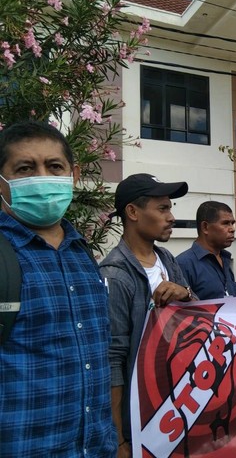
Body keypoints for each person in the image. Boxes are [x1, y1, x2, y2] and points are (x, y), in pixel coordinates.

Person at [0, 121, 116, 456]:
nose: (43, 177)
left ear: (73, 174)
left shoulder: (83, 255)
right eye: (25, 168)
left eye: (54, 167)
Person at [100, 173, 195, 456]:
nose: (171, 217)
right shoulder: (115, 275)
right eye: (162, 208)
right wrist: (119, 440)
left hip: (181, 404)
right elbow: (113, 360)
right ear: (132, 212)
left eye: (170, 208)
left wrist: (186, 293)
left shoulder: (166, 259)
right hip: (141, 420)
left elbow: (200, 318)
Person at [177, 201, 236, 300]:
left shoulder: (225, 259)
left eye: (232, 223)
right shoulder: (184, 264)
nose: (232, 229)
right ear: (205, 227)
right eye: (226, 223)